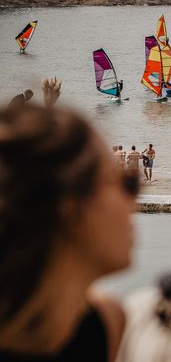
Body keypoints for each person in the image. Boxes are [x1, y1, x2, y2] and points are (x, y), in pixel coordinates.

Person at [0, 105, 137, 361]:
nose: (134, 203)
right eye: (128, 184)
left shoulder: (106, 322)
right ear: (72, 211)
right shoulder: (104, 322)